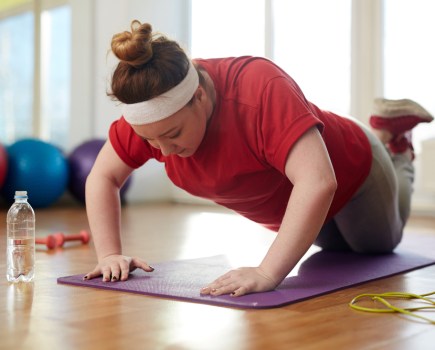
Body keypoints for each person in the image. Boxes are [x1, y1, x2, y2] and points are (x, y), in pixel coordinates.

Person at [83, 20, 433, 297]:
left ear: (200, 98)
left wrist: (267, 272)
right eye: (150, 141)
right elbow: (102, 177)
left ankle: (395, 147)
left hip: (357, 168)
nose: (163, 150)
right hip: (309, 201)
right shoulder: (152, 117)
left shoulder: (259, 88)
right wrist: (109, 254)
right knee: (337, 251)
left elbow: (318, 181)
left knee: (372, 247)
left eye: (173, 135)